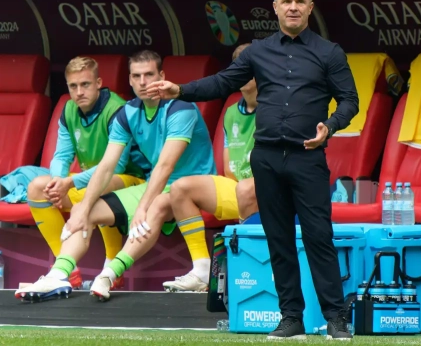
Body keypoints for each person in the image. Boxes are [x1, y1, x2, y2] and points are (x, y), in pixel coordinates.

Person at [148, 0, 359, 340]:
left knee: (319, 238)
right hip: (267, 158)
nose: (293, 7)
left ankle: (336, 318)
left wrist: (331, 126)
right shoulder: (258, 52)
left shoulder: (329, 52)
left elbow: (350, 101)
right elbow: (222, 83)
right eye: (286, 1)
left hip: (307, 157)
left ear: (310, 8)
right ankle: (291, 318)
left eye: (300, 1)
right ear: (275, 8)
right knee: (278, 240)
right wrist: (180, 90)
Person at [15, 50, 217, 302]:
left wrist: (142, 206)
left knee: (158, 204)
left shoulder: (180, 107)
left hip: (191, 186)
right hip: (157, 185)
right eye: (136, 76)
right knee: (86, 210)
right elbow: (106, 165)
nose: (143, 82)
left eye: (149, 75)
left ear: (162, 76)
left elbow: (164, 166)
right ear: (129, 80)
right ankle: (60, 274)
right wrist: (82, 207)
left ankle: (110, 272)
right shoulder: (128, 112)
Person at [27, 56, 145, 291]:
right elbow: (62, 155)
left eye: (85, 84)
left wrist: (70, 183)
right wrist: (58, 181)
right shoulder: (69, 109)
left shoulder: (117, 109)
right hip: (88, 182)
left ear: (98, 83)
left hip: (131, 182)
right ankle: (65, 269)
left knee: (103, 185)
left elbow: (117, 166)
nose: (79, 92)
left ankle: (112, 265)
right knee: (38, 187)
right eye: (73, 86)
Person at [162, 43, 258, 293]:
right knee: (180, 188)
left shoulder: (277, 108)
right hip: (239, 189)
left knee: (247, 189)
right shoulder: (231, 113)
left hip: (271, 192)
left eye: (251, 67)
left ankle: (247, 271)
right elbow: (228, 167)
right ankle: (202, 269)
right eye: (239, 68)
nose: (245, 73)